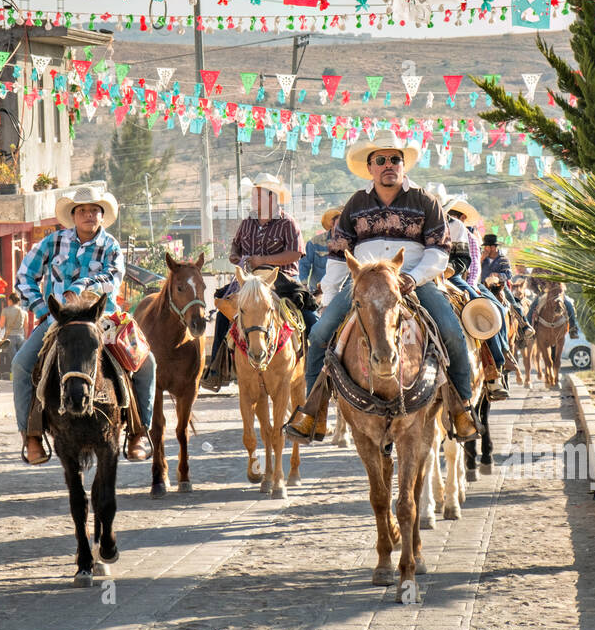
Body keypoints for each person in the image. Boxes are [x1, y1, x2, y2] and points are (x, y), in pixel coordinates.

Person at [284, 141, 479, 442]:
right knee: (319, 334)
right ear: (370, 167)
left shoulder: (425, 201)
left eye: (395, 159)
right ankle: (314, 411)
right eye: (382, 160)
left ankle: (462, 408)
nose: (389, 164)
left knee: (452, 332)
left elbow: (439, 250)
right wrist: (333, 296)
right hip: (361, 282)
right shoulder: (355, 205)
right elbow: (338, 256)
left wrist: (413, 277)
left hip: (412, 281)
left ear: (403, 165)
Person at [11, 186, 155, 464]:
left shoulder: (111, 246)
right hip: (59, 321)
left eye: (94, 211)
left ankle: (138, 431)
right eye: (82, 211)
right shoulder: (51, 242)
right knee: (20, 365)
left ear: (102, 216)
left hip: (102, 320)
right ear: (73, 216)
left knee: (147, 363)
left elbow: (112, 278)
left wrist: (82, 285)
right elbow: (24, 277)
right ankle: (31, 436)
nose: (89, 215)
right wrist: (43, 310)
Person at [202, 174, 318, 389]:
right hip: (249, 280)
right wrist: (236, 257)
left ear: (271, 198)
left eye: (257, 195)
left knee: (310, 317)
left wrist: (262, 260)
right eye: (253, 195)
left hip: (281, 280)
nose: (253, 200)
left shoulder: (287, 222)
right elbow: (235, 246)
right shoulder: (247, 222)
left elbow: (295, 253)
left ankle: (320, 366)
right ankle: (216, 370)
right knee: (223, 312)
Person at [299, 208, 340, 305]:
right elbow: (304, 265)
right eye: (340, 221)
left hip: (342, 293)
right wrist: (304, 286)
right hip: (318, 293)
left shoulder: (349, 243)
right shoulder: (314, 243)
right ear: (332, 223)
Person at [0, 291, 26, 379]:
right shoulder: (23, 312)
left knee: (13, 358)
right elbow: (26, 327)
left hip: (10, 338)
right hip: (21, 337)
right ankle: (21, 375)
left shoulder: (5, 310)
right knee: (21, 358)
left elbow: (1, 325)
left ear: (10, 300)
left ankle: (14, 375)